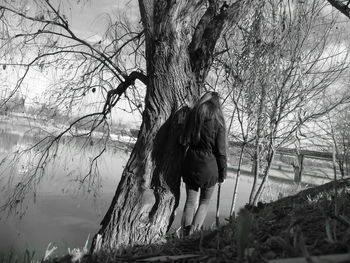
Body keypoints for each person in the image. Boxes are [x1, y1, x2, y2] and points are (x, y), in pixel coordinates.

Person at [180, 91, 227, 236]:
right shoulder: (219, 122)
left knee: (189, 202)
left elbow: (183, 140)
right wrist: (223, 173)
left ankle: (183, 235)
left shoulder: (192, 117)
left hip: (190, 164)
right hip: (209, 168)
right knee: (204, 202)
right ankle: (192, 235)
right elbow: (221, 151)